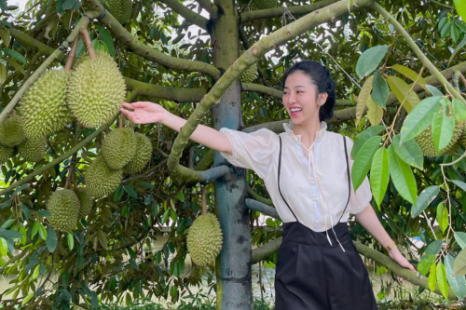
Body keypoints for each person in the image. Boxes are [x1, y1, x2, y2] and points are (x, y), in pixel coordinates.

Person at [120, 60, 416, 310]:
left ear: (321, 98)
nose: (291, 100)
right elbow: (222, 140)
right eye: (287, 92)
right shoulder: (271, 147)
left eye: (300, 91)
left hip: (342, 255)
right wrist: (166, 116)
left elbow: (360, 205)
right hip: (297, 260)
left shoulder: (346, 148)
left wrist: (392, 250)